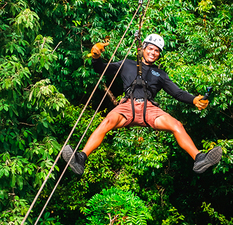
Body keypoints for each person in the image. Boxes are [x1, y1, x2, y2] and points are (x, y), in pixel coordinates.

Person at [62, 34, 222, 175]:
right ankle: (80, 158)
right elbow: (102, 69)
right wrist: (96, 57)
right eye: (150, 49)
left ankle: (199, 158)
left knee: (177, 125)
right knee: (107, 122)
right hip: (128, 106)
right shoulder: (127, 64)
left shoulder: (160, 74)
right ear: (143, 48)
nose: (153, 53)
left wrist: (194, 100)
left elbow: (177, 93)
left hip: (149, 109)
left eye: (157, 51)